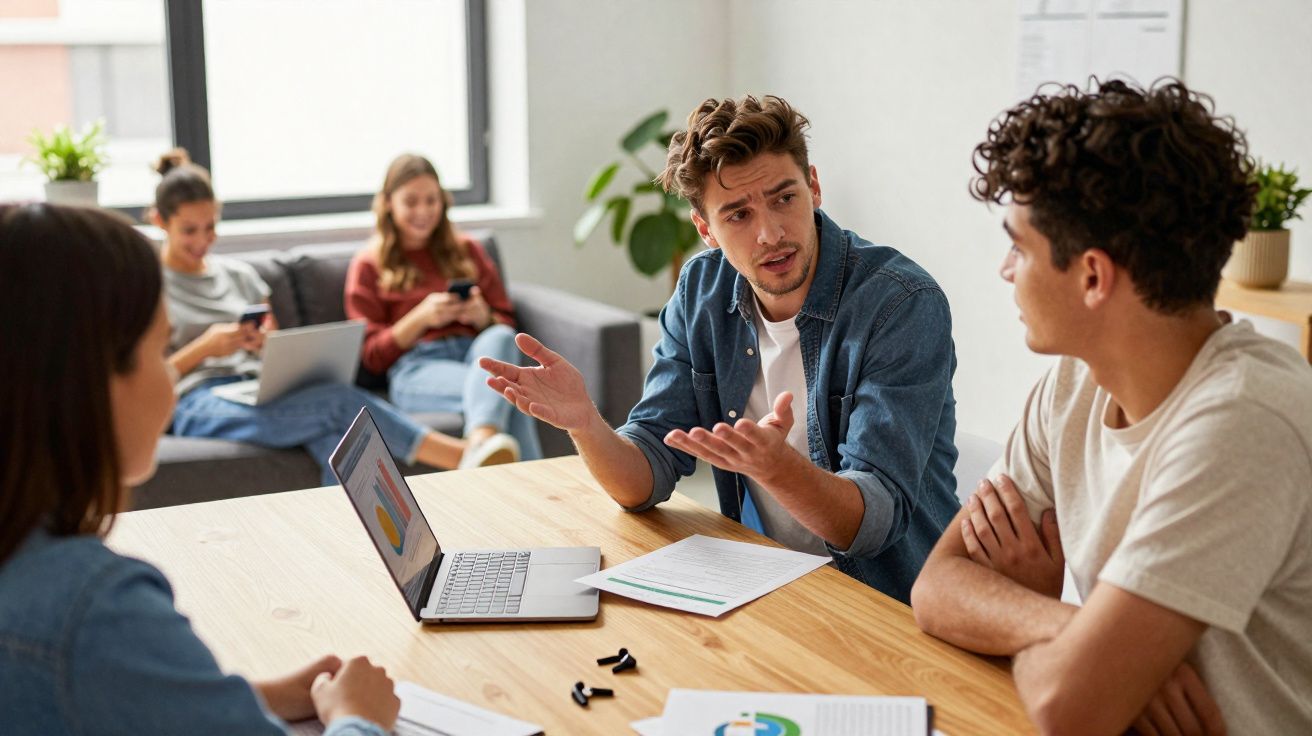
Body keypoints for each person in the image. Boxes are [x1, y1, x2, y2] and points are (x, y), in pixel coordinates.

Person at [910, 79, 1312, 734]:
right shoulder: (1075, 382)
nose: (1005, 270)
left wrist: (1065, 651)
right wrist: (1066, 627)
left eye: (1018, 245)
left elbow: (1067, 708)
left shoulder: (1245, 420)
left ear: (1093, 276)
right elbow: (936, 590)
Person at [481, 95, 960, 603]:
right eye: (738, 215)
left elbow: (870, 526)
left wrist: (777, 470)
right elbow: (645, 477)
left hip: (893, 606)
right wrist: (585, 422)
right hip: (775, 587)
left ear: (814, 187)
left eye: (784, 198)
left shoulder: (901, 304)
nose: (771, 233)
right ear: (705, 229)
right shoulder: (701, 292)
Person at [0, 203, 400, 735]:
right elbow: (90, 652)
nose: (169, 380)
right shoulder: (98, 608)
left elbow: (86, 690)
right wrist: (357, 717)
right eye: (158, 350)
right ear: (88, 379)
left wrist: (247, 699)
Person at [149, 150, 478, 483]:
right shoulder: (150, 287)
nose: (203, 240)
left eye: (210, 228)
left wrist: (262, 344)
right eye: (189, 230)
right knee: (339, 404)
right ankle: (462, 458)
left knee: (341, 447)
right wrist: (206, 347)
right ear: (160, 222)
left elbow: (273, 346)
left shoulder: (241, 276)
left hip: (257, 390)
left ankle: (363, 534)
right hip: (198, 401)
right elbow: (145, 380)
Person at [345, 154, 540, 468]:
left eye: (431, 200)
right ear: (388, 204)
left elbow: (507, 323)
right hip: (416, 369)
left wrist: (482, 317)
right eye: (411, 201)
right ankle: (538, 495)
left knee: (501, 335)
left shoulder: (467, 250)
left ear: (443, 202)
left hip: (473, 355)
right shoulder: (369, 264)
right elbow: (369, 356)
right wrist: (420, 318)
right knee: (510, 389)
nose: (423, 211)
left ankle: (479, 442)